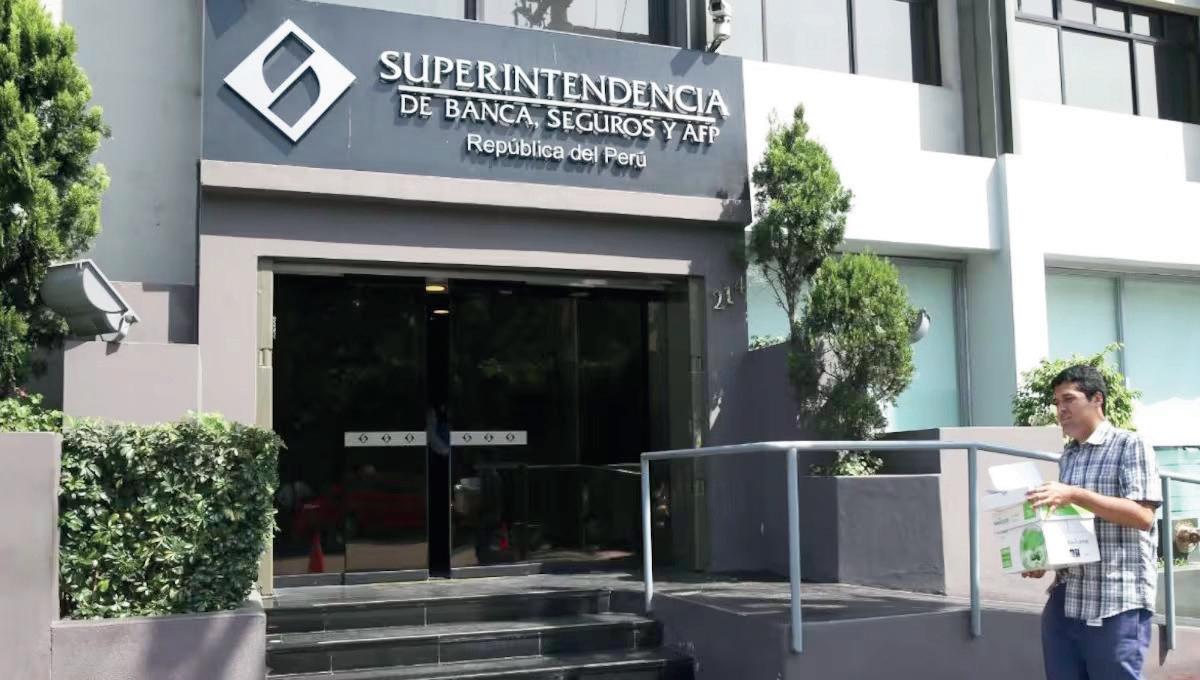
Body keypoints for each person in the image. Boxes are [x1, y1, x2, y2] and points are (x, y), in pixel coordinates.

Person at [1023, 364, 1161, 680]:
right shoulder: (1069, 456)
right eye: (1057, 402)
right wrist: (1041, 557)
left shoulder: (1130, 444)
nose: (1061, 409)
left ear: (1097, 398)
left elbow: (1143, 516)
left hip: (1115, 599)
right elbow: (1071, 524)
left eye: (1069, 399)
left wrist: (1074, 494)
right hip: (1066, 598)